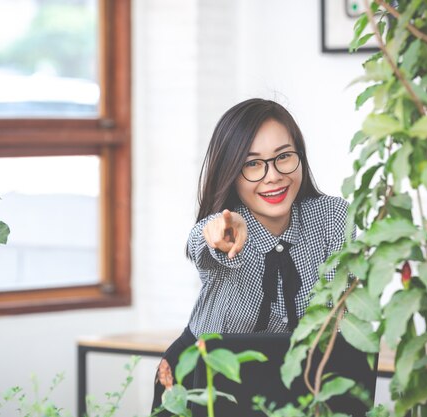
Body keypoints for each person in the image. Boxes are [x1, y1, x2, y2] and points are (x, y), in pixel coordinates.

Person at [151, 98, 356, 415]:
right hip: (205, 378)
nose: (272, 176)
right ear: (231, 172)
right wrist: (219, 231)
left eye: (284, 157)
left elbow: (337, 313)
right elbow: (201, 243)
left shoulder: (332, 216)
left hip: (303, 376)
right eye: (252, 164)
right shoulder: (228, 229)